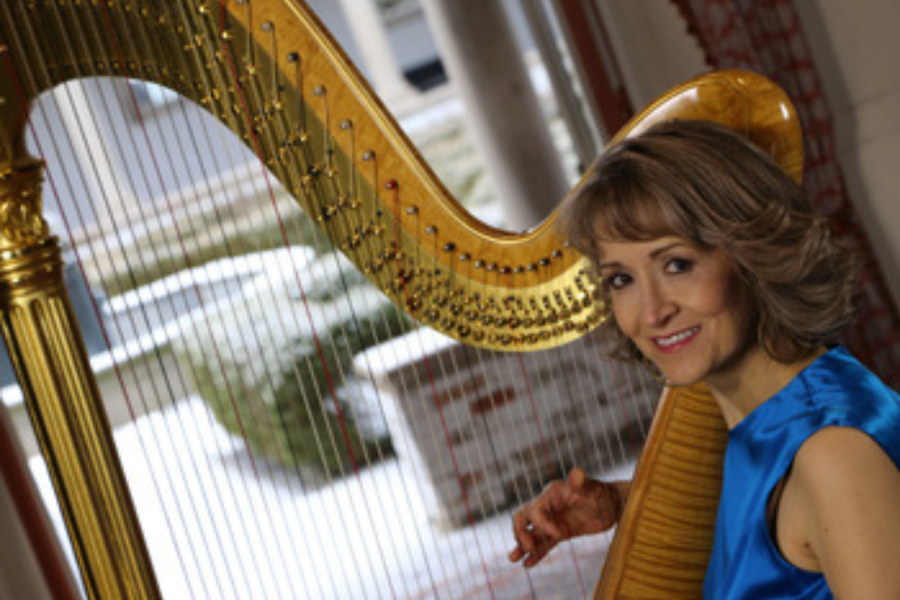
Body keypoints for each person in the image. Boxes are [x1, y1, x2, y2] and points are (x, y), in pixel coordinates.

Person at [508, 119, 900, 599]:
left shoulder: (832, 456)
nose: (652, 312)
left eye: (677, 265)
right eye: (621, 279)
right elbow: (776, 514)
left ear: (751, 256)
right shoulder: (780, 411)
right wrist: (622, 500)